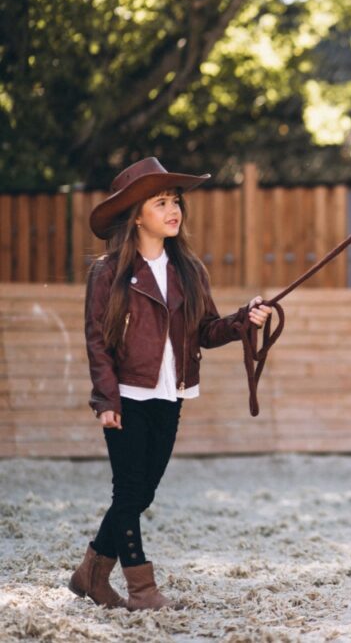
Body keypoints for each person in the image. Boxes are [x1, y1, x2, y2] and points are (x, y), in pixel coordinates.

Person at [69, 157, 272, 611]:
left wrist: (244, 320)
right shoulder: (108, 273)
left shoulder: (190, 271)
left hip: (170, 394)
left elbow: (206, 331)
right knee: (128, 492)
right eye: (160, 202)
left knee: (144, 492)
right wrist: (106, 397)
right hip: (127, 396)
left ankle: (90, 575)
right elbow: (97, 340)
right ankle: (142, 589)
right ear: (137, 215)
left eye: (175, 200)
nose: (173, 209)